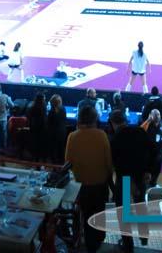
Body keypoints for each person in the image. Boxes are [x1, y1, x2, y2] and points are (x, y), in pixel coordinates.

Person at [64, 105, 112, 253]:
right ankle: (97, 241)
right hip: (100, 185)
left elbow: (68, 162)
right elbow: (108, 163)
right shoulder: (102, 135)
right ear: (95, 119)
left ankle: (89, 244)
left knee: (85, 215)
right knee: (99, 212)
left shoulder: (72, 136)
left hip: (82, 185)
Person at [109, 109, 151, 252]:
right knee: (141, 206)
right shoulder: (139, 131)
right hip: (140, 176)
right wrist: (148, 171)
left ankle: (128, 244)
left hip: (125, 178)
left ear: (112, 123)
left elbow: (115, 163)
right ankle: (144, 236)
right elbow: (152, 151)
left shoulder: (115, 138)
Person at [140, 109, 162, 187]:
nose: (157, 116)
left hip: (159, 150)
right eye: (155, 115)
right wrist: (148, 120)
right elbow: (140, 130)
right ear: (151, 116)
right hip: (149, 150)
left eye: (158, 114)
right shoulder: (147, 123)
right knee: (147, 170)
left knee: (158, 169)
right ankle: (144, 185)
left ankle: (153, 183)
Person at [26, 92, 48, 161]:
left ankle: (36, 159)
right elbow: (45, 119)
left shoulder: (32, 106)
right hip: (41, 128)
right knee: (41, 143)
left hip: (34, 127)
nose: (45, 99)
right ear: (42, 99)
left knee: (35, 143)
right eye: (44, 98)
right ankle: (42, 159)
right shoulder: (44, 107)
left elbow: (28, 117)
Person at [46, 94, 67, 164]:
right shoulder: (63, 109)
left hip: (53, 133)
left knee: (53, 149)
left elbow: (48, 123)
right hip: (62, 132)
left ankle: (54, 165)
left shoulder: (51, 112)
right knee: (61, 148)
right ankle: (61, 163)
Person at [0, 83, 13, 151]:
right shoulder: (5, 96)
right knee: (4, 133)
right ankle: (4, 147)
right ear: (1, 89)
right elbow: (12, 105)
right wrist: (7, 106)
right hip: (3, 119)